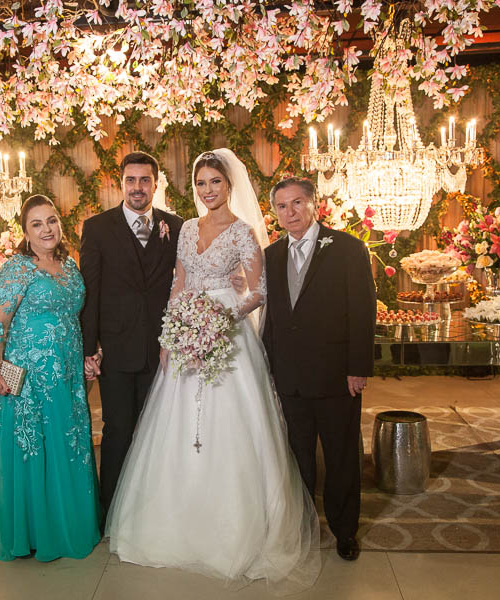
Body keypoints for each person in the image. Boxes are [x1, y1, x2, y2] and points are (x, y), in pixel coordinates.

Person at [105, 149, 321, 593]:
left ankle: (237, 528)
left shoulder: (242, 231)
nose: (207, 190)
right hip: (186, 329)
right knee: (178, 425)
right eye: (201, 183)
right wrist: (170, 335)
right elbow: (179, 282)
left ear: (228, 185)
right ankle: (175, 522)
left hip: (228, 331)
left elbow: (258, 291)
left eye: (215, 182)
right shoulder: (187, 228)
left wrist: (221, 319)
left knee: (233, 425)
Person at [261, 177, 376, 562]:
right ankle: (304, 525)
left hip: (336, 375)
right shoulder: (271, 255)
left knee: (341, 456)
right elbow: (272, 319)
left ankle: (345, 531)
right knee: (298, 457)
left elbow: (362, 311)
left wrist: (358, 367)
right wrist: (269, 367)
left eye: (297, 203)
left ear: (314, 204)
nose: (290, 212)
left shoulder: (347, 248)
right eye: (282, 206)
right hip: (290, 377)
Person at [0, 194, 100, 562]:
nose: (46, 229)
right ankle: (35, 534)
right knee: (34, 451)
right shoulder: (17, 269)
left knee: (69, 445)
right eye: (37, 224)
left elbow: (76, 318)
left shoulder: (69, 264)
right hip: (29, 379)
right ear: (25, 232)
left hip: (67, 375)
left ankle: (69, 526)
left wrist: (89, 355)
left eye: (51, 221)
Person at [79, 152, 184, 516]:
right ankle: (111, 511)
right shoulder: (97, 228)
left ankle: (153, 510)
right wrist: (89, 348)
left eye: (145, 180)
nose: (138, 187)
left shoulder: (176, 226)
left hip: (162, 351)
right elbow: (90, 291)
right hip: (116, 351)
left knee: (159, 432)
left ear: (156, 184)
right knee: (118, 430)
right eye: (131, 180)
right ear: (120, 183)